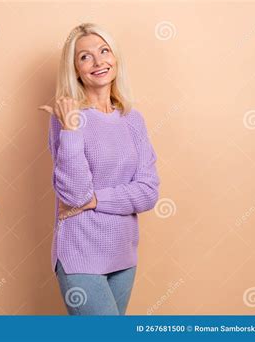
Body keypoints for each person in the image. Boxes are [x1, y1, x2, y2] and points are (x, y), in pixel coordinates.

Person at [38, 23, 160, 315]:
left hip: (123, 254)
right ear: (75, 69)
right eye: (85, 57)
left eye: (104, 51)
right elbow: (76, 194)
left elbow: (148, 192)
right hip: (80, 253)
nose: (98, 61)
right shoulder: (67, 117)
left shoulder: (133, 119)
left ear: (115, 57)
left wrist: (96, 200)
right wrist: (69, 129)